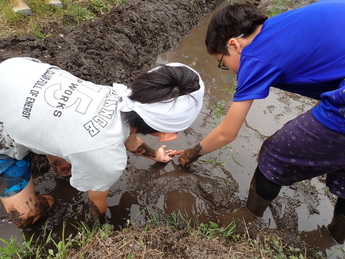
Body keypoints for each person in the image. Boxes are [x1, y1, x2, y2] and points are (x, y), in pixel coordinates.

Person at [174, 1, 345, 244]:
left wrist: (191, 154)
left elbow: (227, 133)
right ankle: (336, 237)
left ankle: (247, 218)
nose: (230, 70)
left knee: (275, 152)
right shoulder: (280, 25)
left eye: (223, 62)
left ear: (234, 44)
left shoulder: (255, 55)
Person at [0, 57, 204, 227]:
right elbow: (96, 201)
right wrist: (101, 226)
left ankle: (50, 151)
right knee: (27, 218)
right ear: (169, 134)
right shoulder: (107, 161)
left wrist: (156, 156)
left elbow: (129, 138)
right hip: (4, 131)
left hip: (18, 71)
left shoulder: (120, 96)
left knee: (72, 145)